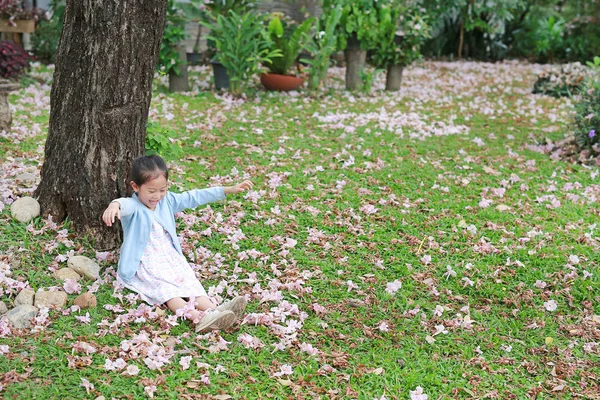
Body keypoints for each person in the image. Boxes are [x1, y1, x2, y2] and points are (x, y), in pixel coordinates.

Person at [102, 155, 252, 333]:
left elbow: (194, 197)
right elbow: (124, 204)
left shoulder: (167, 201)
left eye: (162, 190)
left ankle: (214, 310)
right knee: (168, 291)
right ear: (135, 187)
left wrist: (227, 189)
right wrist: (114, 205)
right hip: (147, 263)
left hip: (171, 258)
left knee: (189, 283)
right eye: (151, 191)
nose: (157, 196)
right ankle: (196, 318)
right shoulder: (135, 207)